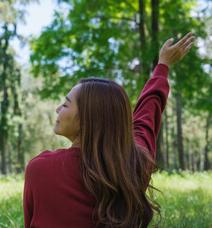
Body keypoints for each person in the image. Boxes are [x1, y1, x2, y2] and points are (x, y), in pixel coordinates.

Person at [23, 32, 195, 228]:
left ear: (86, 120)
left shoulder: (40, 169)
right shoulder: (135, 163)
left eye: (66, 104)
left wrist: (162, 67)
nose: (58, 109)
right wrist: (162, 67)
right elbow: (147, 117)